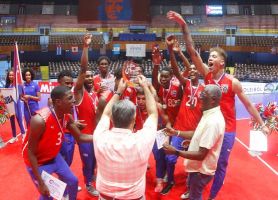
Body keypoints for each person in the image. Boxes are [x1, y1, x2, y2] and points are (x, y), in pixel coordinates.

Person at [166, 10, 270, 199]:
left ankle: (212, 196)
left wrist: (262, 124)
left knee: (220, 164)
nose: (210, 58)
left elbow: (247, 105)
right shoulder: (206, 74)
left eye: (214, 56)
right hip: (205, 124)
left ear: (222, 62)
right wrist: (183, 25)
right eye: (210, 56)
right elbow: (191, 50)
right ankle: (193, 187)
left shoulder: (232, 82)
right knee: (198, 157)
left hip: (227, 129)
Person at [22, 85, 94, 200]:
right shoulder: (39, 120)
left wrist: (101, 136)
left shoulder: (67, 116)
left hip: (54, 156)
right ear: (58, 102)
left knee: (73, 181)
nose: (74, 100)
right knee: (47, 194)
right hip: (38, 162)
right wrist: (41, 183)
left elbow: (80, 137)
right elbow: (30, 152)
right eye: (70, 98)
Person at [93, 75, 158, 200]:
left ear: (112, 119)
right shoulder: (141, 140)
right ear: (134, 120)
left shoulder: (100, 136)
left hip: (104, 197)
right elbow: (153, 114)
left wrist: (118, 91)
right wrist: (145, 86)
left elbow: (106, 113)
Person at [163, 84, 225, 200]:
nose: (200, 96)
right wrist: (176, 133)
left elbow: (201, 154)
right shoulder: (208, 113)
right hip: (197, 169)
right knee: (193, 193)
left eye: (203, 94)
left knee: (195, 196)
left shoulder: (213, 122)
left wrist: (175, 152)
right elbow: (197, 133)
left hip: (200, 171)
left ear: (212, 100)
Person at [162, 35, 205, 196]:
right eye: (190, 70)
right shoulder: (185, 84)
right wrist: (172, 51)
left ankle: (190, 187)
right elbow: (174, 70)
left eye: (195, 69)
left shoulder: (205, 91)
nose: (192, 71)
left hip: (195, 133)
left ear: (200, 73)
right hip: (179, 129)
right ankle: (170, 181)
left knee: (193, 163)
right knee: (171, 159)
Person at [73, 34, 99, 196]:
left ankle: (92, 176)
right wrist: (86, 47)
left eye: (91, 76)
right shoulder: (79, 93)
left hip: (97, 136)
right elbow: (83, 69)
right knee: (88, 163)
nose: (89, 78)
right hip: (85, 136)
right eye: (86, 76)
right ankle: (88, 183)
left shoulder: (96, 93)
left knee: (96, 162)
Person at [5, 70, 26, 143]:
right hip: (10, 106)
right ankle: (14, 137)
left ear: (15, 76)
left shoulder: (18, 85)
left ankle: (23, 135)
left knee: (19, 120)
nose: (11, 76)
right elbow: (5, 96)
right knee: (12, 122)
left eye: (12, 75)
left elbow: (19, 96)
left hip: (17, 105)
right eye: (9, 75)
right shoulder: (7, 85)